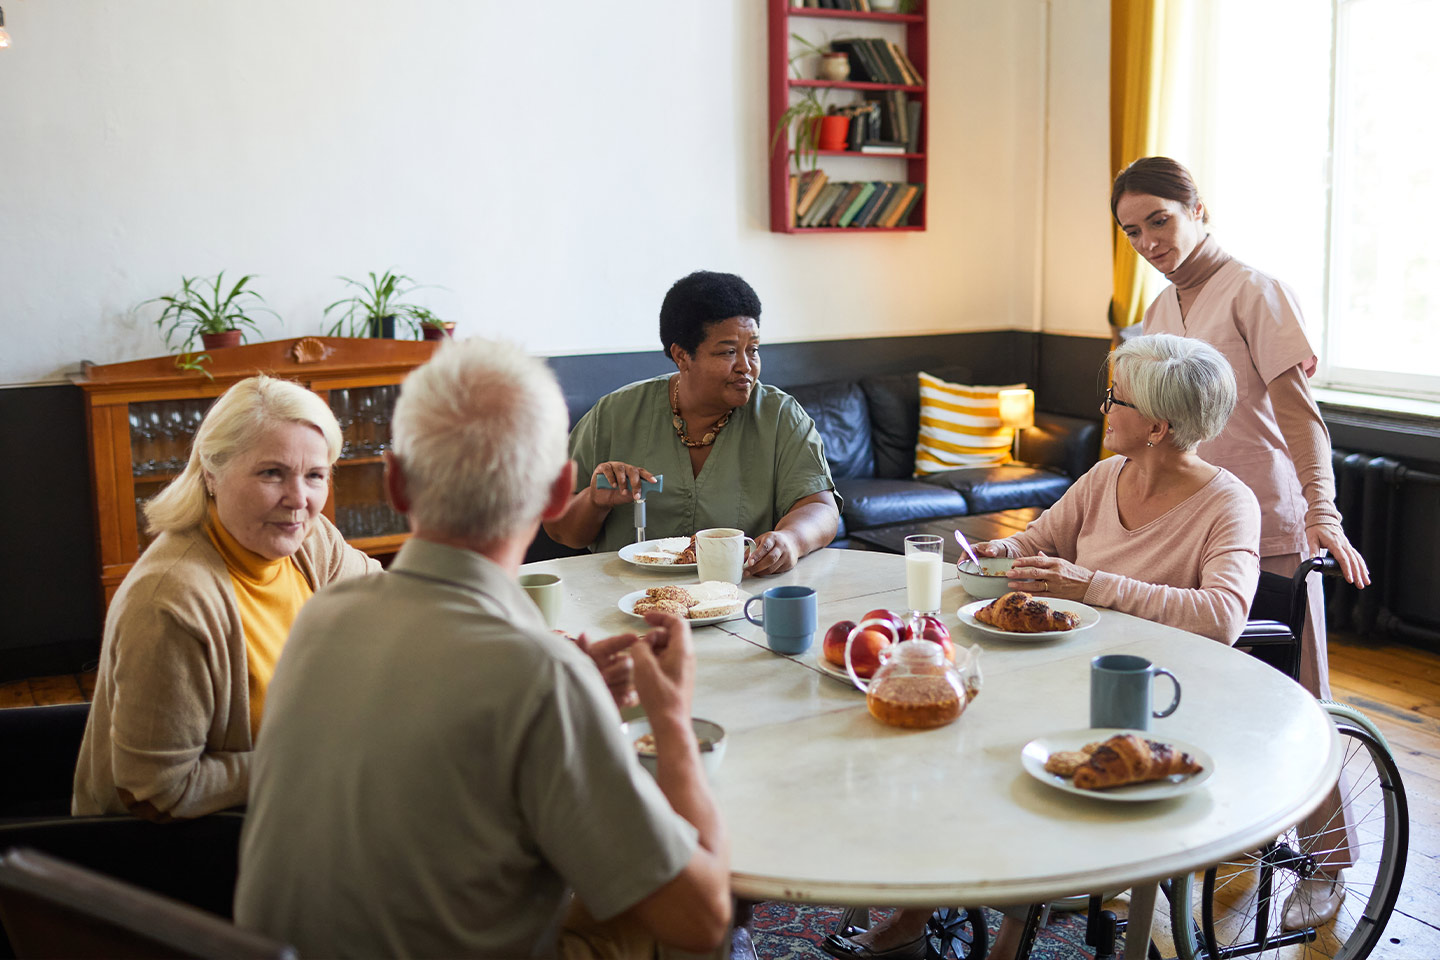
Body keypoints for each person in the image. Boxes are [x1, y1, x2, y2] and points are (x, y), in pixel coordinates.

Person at [233, 339, 731, 958]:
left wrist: (572, 709)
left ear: (396, 483)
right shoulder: (539, 676)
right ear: (557, 494)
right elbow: (704, 917)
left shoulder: (321, 618)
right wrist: (673, 721)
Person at [824, 334, 1262, 960]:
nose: (1104, 408)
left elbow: (1223, 617)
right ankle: (918, 900)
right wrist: (1004, 553)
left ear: (1158, 426)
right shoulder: (1108, 473)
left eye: (1117, 399)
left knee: (998, 745)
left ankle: (998, 932)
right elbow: (1039, 541)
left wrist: (1090, 583)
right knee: (951, 725)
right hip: (1063, 664)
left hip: (1154, 690)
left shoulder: (1228, 503)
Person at [1115, 156, 1368, 928]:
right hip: (1186, 518)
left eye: (1160, 218)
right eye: (1132, 230)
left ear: (1200, 209)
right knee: (1196, 687)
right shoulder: (1160, 309)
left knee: (1295, 699)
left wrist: (1323, 512)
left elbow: (1301, 419)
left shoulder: (1256, 291)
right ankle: (1207, 837)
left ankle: (1327, 868)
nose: (1150, 240)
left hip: (1270, 522)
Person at [72, 376, 380, 819]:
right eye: (271, 473)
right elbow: (156, 793)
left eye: (315, 475)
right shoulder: (171, 602)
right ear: (211, 473)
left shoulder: (310, 543)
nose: (299, 500)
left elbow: (386, 602)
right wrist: (304, 763)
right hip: (172, 853)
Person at [545, 270, 840, 575]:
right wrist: (595, 501)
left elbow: (820, 508)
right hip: (625, 600)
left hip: (740, 599)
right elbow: (560, 531)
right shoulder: (614, 415)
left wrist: (790, 540)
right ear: (682, 355)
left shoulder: (780, 417)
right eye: (728, 352)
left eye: (753, 349)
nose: (746, 366)